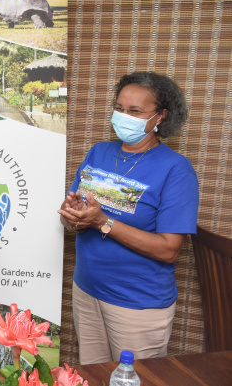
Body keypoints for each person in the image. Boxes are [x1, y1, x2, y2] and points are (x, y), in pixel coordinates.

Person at [58, 72, 199, 364]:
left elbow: (168, 249)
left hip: (137, 305)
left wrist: (102, 222)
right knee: (92, 377)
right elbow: (71, 215)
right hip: (87, 291)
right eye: (120, 108)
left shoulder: (176, 169)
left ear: (160, 116)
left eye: (135, 111)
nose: (124, 116)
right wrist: (72, 216)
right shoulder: (99, 152)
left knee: (131, 380)